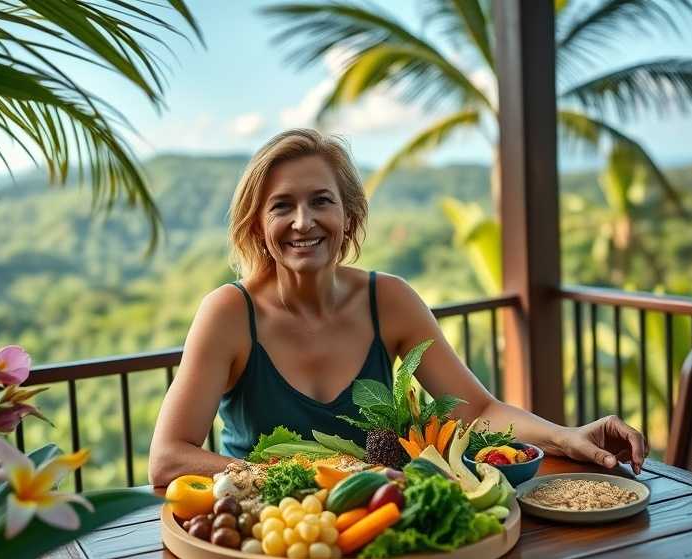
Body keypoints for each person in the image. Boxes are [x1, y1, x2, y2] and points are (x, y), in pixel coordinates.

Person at [148, 128, 648, 487]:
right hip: (263, 534)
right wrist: (293, 476)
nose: (303, 222)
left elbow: (479, 411)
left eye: (321, 201)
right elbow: (168, 459)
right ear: (258, 225)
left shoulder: (388, 300)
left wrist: (566, 437)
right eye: (282, 206)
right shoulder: (229, 314)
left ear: (348, 217)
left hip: (376, 525)